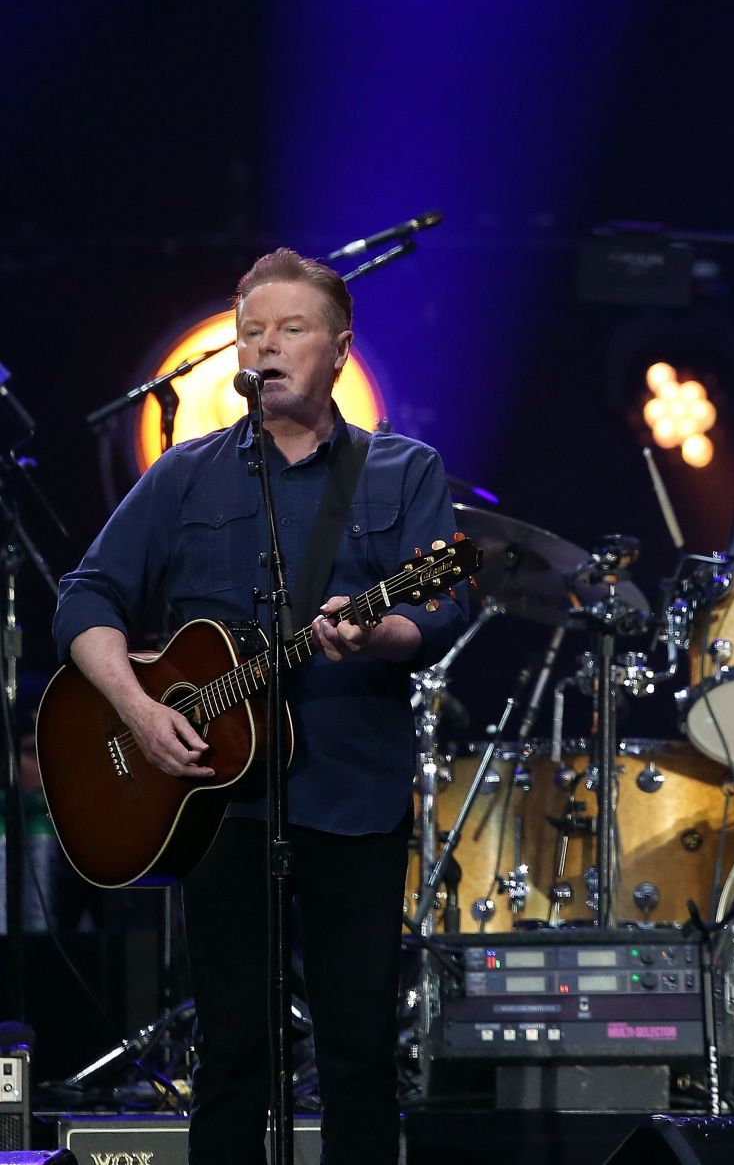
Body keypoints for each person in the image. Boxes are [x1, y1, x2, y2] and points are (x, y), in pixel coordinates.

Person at [54, 249, 466, 1165]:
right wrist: (135, 704)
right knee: (233, 1053)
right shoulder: (186, 473)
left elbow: (440, 606)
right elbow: (83, 600)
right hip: (217, 808)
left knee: (358, 1053)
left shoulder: (401, 471)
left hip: (352, 796)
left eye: (291, 330)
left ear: (338, 351)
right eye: (252, 331)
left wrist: (377, 632)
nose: (266, 347)